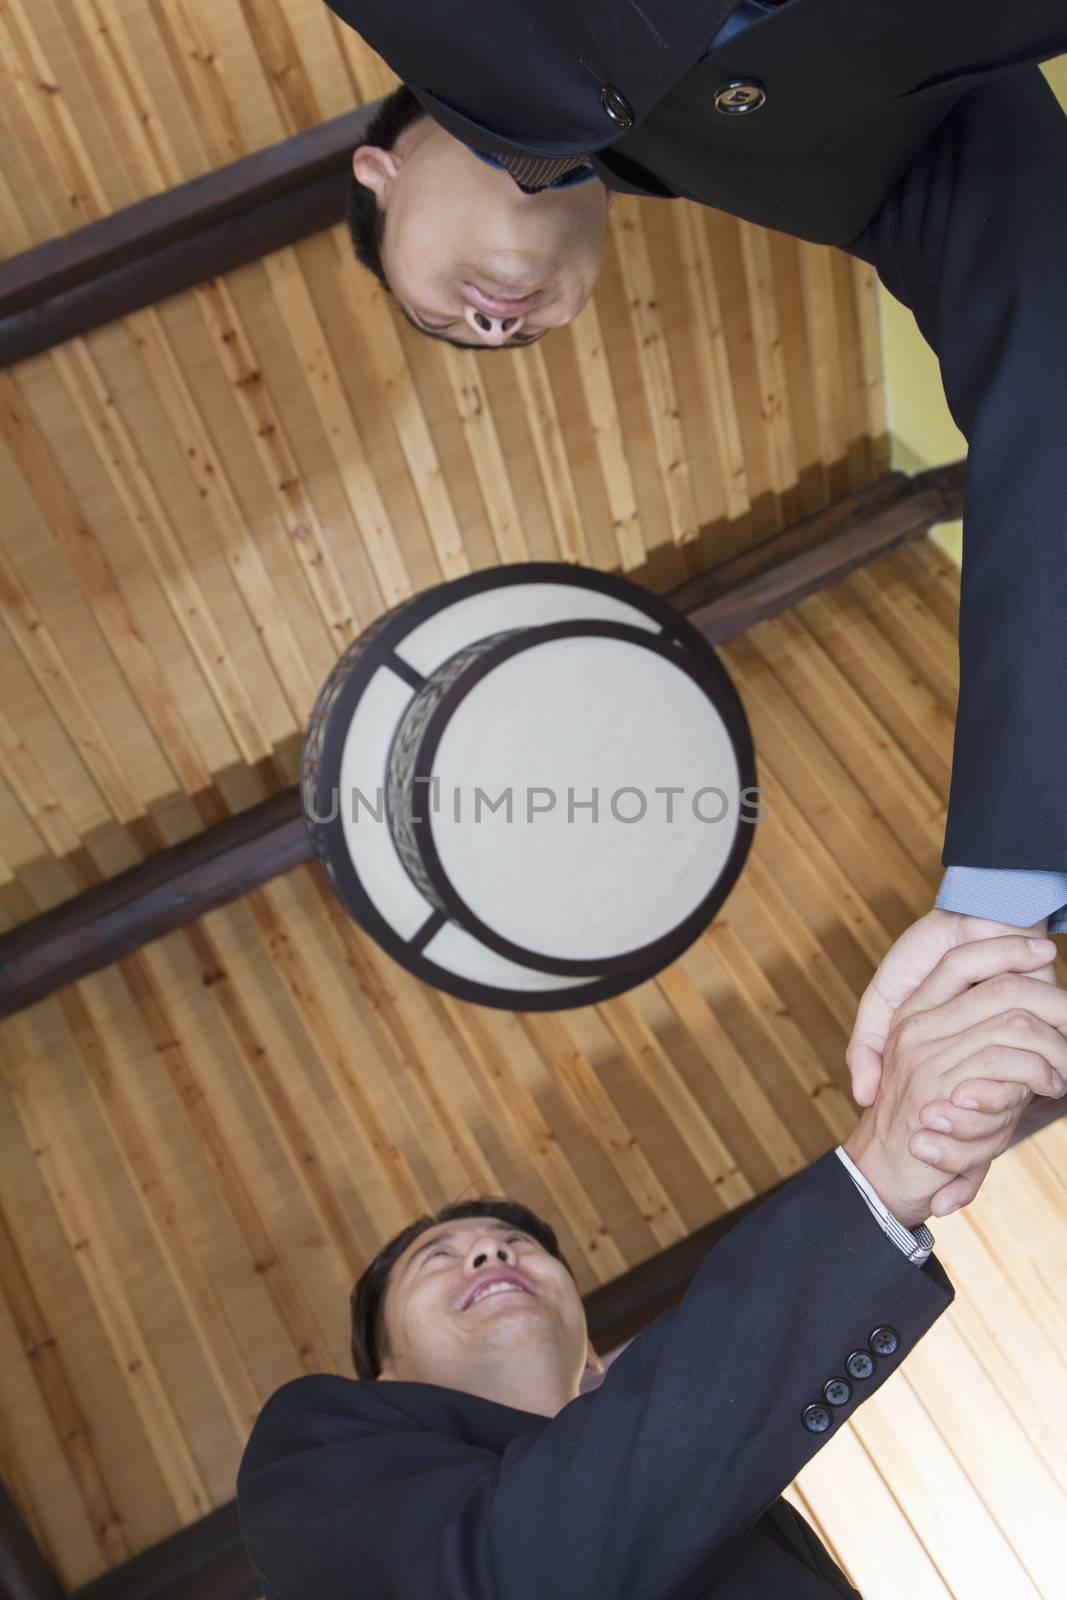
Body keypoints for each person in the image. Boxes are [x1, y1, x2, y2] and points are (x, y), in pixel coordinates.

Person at [330, 0, 1067, 1108]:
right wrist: (999, 892)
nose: (489, 329)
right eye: (504, 342)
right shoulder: (834, 182)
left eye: (434, 314)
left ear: (378, 171)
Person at [236, 933, 1067, 1598]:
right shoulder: (314, 1446)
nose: (489, 1249)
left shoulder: (733, 1501)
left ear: (593, 1357)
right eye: (436, 1258)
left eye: (517, 1244)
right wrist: (878, 1181)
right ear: (384, 1373)